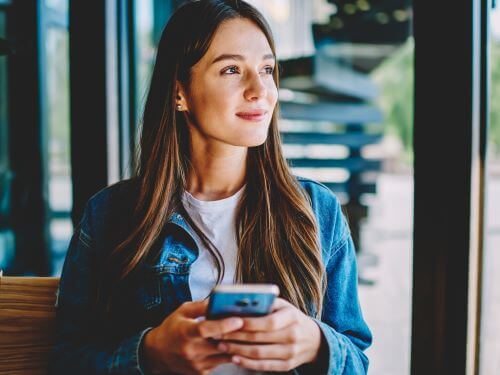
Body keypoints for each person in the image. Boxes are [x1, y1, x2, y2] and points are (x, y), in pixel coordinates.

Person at [48, 1, 372, 374]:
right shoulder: (109, 215)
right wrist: (149, 352)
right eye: (232, 70)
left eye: (267, 69)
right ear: (179, 92)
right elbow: (65, 361)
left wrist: (316, 343)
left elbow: (357, 359)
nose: (260, 90)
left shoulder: (317, 210)